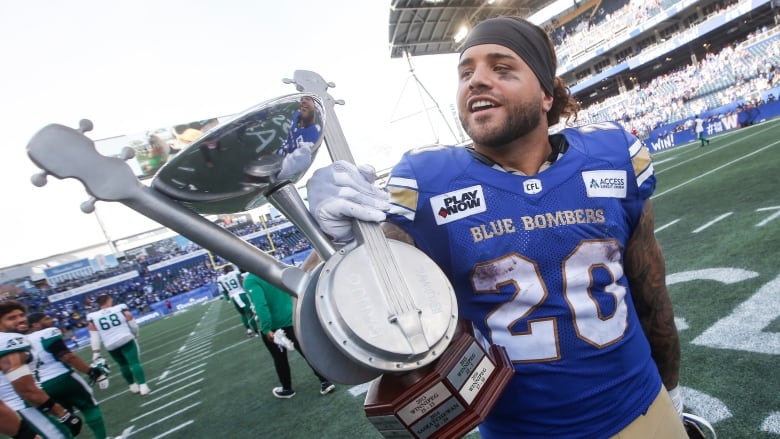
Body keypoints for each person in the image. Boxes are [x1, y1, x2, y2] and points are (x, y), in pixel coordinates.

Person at [305, 16, 689, 438]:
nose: (476, 81)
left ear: (546, 94)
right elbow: (348, 319)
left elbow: (651, 293)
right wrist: (335, 241)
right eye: (465, 72)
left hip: (640, 409)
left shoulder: (611, 155)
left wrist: (671, 389)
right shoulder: (428, 182)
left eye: (501, 68)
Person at [242, 272, 335, 399]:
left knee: (280, 359)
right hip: (291, 318)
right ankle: (325, 381)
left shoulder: (251, 279)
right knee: (306, 351)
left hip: (275, 325)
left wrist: (266, 328)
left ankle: (287, 388)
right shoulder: (273, 270)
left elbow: (261, 304)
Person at [0, 301, 82, 438]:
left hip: (15, 409)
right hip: (23, 407)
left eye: (21, 315)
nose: (20, 320)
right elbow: (26, 389)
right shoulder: (8, 341)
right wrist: (63, 414)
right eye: (11, 318)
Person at [27, 312, 110, 439]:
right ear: (35, 325)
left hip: (43, 386)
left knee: (65, 418)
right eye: (46, 319)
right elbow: (67, 356)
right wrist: (91, 371)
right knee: (89, 408)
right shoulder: (47, 333)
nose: (51, 320)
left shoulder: (23, 341)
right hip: (63, 377)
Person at [86, 294, 150, 396]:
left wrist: (96, 352)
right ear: (108, 300)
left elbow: (94, 336)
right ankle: (143, 386)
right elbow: (131, 319)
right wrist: (135, 333)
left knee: (123, 365)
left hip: (110, 344)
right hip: (125, 338)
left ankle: (132, 386)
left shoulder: (92, 316)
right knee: (134, 363)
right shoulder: (120, 308)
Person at [276, 95, 322, 181]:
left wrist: (282, 174)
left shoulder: (313, 133)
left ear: (315, 107)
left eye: (307, 99)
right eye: (302, 100)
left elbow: (302, 158)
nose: (303, 101)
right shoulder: (295, 115)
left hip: (277, 174)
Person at [217, 265, 259, 337]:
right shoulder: (236, 273)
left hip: (233, 297)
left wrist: (227, 298)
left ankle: (248, 330)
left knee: (243, 314)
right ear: (231, 269)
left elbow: (224, 289)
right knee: (250, 314)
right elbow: (241, 282)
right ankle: (256, 331)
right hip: (241, 294)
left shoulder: (221, 278)